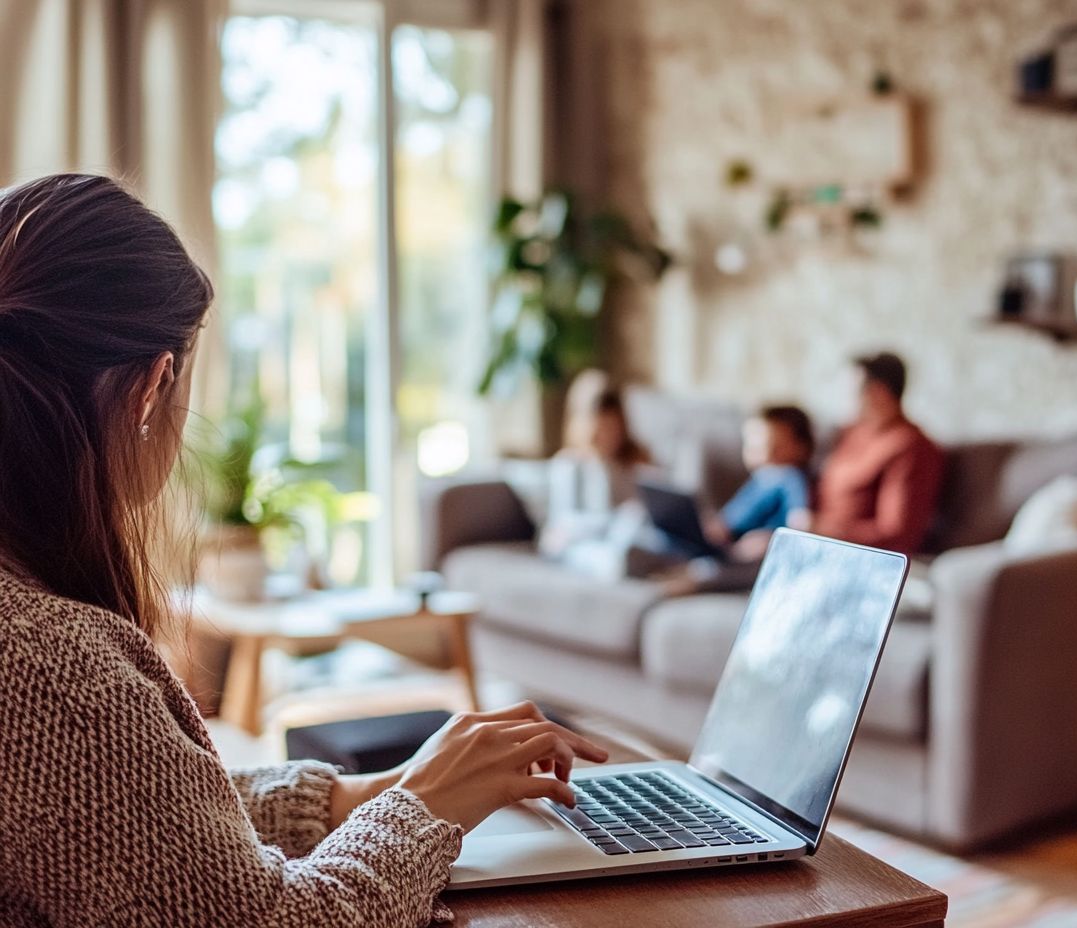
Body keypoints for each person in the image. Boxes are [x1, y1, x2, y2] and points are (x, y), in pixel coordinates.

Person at [0, 174, 607, 927]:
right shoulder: (55, 669)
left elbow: (114, 816)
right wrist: (428, 807)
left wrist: (354, 795)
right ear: (152, 388)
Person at [812, 352, 943, 555]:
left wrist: (820, 529)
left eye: (848, 389)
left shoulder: (911, 447)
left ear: (878, 392)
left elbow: (898, 533)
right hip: (816, 541)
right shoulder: (850, 433)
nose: (839, 397)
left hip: (852, 552)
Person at [539, 373, 652, 560]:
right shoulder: (570, 465)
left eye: (614, 429)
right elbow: (563, 525)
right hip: (582, 544)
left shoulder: (633, 462)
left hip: (625, 537)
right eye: (601, 429)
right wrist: (616, 518)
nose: (608, 437)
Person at [704, 405, 815, 559]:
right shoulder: (759, 478)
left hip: (753, 551)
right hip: (726, 541)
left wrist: (773, 539)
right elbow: (732, 516)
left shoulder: (790, 477)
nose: (764, 453)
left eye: (775, 446)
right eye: (753, 446)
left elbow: (800, 521)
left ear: (802, 447)